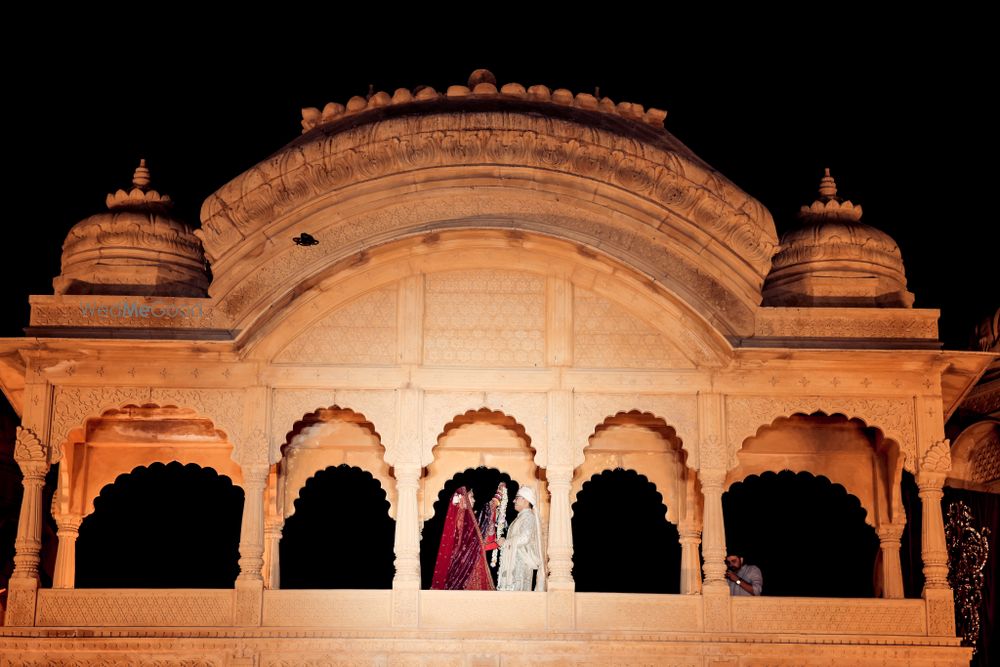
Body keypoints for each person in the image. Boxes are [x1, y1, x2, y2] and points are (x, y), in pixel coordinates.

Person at [430, 486, 495, 590]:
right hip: (462, 567)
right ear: (464, 498)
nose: (474, 500)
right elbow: (473, 537)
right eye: (471, 497)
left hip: (465, 564)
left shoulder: (465, 516)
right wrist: (491, 506)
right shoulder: (461, 516)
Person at [496, 486, 546, 591]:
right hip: (515, 563)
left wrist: (506, 542)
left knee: (518, 598)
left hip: (521, 565)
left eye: (517, 497)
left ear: (526, 500)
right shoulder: (521, 518)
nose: (514, 500)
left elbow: (525, 538)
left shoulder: (529, 517)